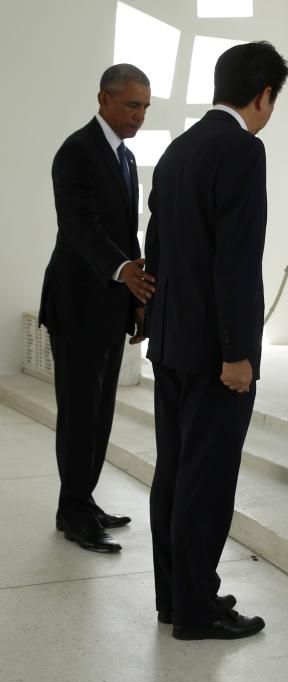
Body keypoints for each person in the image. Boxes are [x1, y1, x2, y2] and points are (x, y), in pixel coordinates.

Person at [145, 41, 288, 640]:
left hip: (172, 342)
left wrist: (154, 326)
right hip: (214, 353)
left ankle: (177, 598)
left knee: (175, 470)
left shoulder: (178, 148)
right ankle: (199, 611)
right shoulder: (242, 149)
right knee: (207, 478)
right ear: (263, 96)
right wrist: (238, 353)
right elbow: (235, 261)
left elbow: (156, 244)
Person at [39, 64, 156, 553]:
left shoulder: (125, 159)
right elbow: (78, 226)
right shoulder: (77, 151)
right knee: (79, 412)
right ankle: (73, 511)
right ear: (104, 99)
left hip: (109, 305)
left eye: (145, 108)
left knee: (102, 410)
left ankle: (83, 499)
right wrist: (124, 271)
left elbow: (126, 236)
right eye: (132, 106)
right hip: (77, 304)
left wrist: (133, 302)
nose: (139, 117)